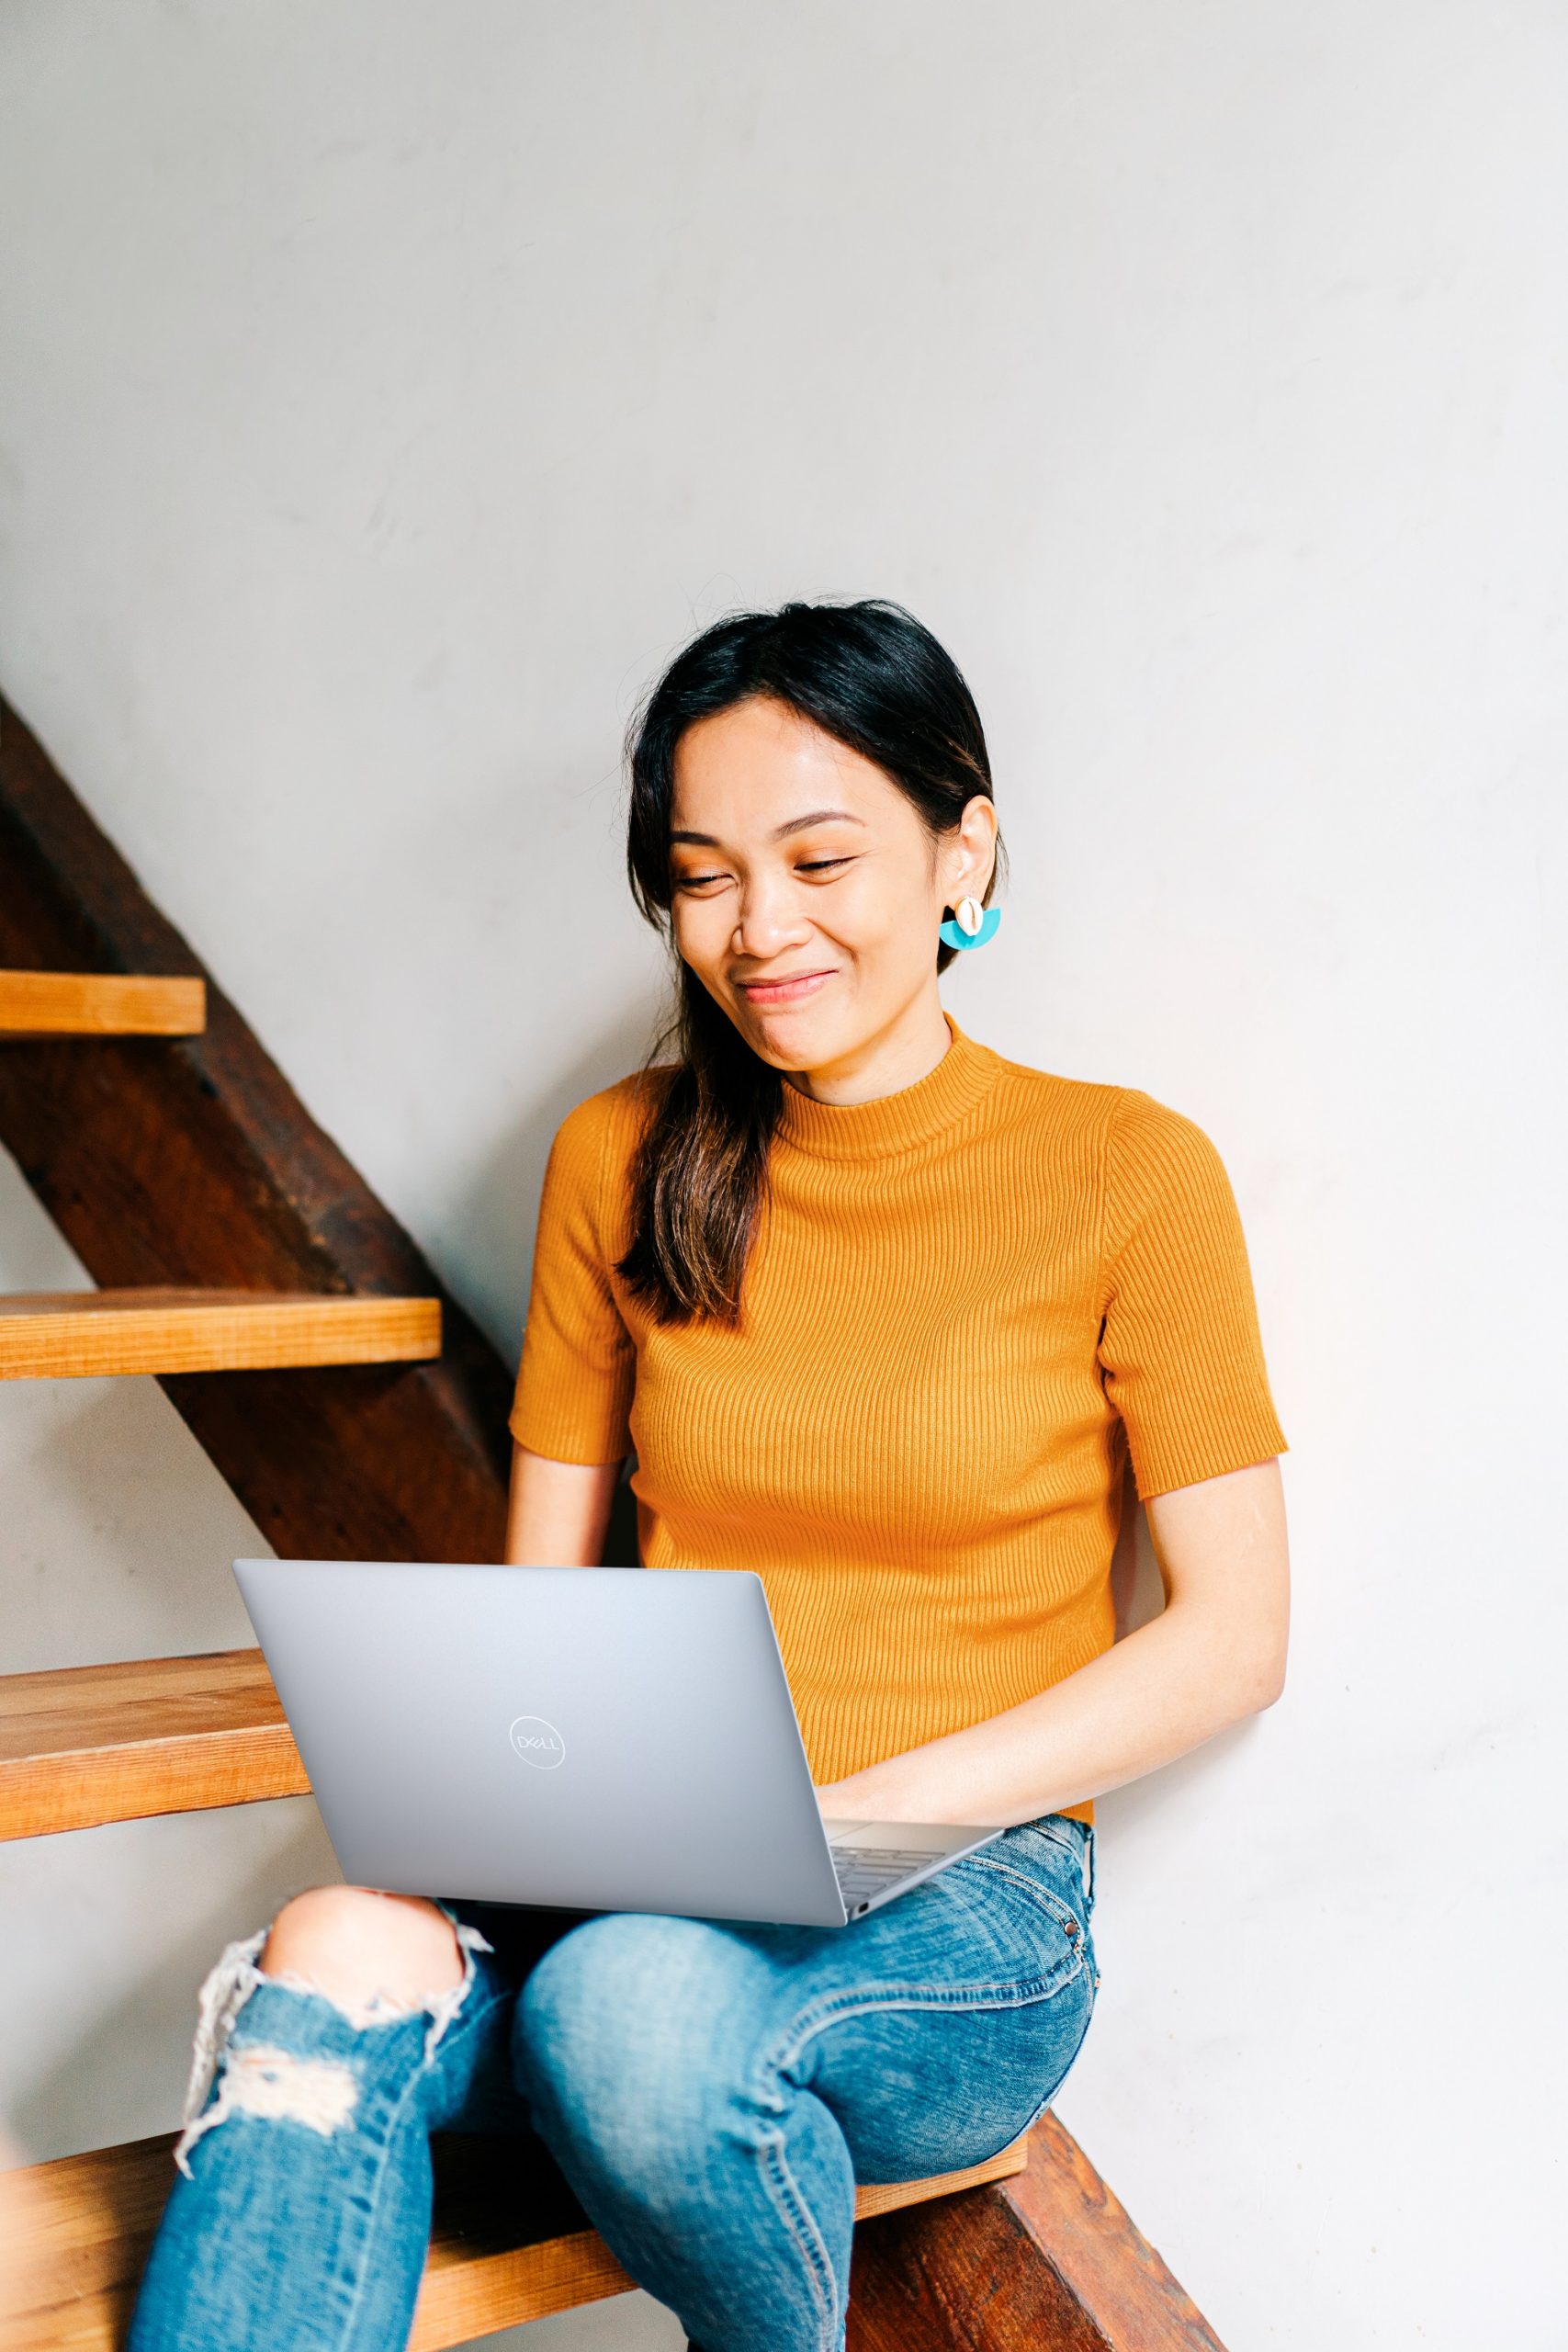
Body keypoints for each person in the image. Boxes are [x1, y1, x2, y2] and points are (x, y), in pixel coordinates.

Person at [128, 597, 1290, 2352]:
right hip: (641, 1847)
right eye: (703, 874)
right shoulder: (620, 1157)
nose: (759, 931)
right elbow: (542, 1622)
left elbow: (1234, 1637)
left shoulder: (1129, 1174)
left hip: (958, 1899)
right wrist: (483, 1839)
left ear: (965, 847)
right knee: (329, 1955)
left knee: (627, 2002)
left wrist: (851, 1821)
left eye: (822, 858)